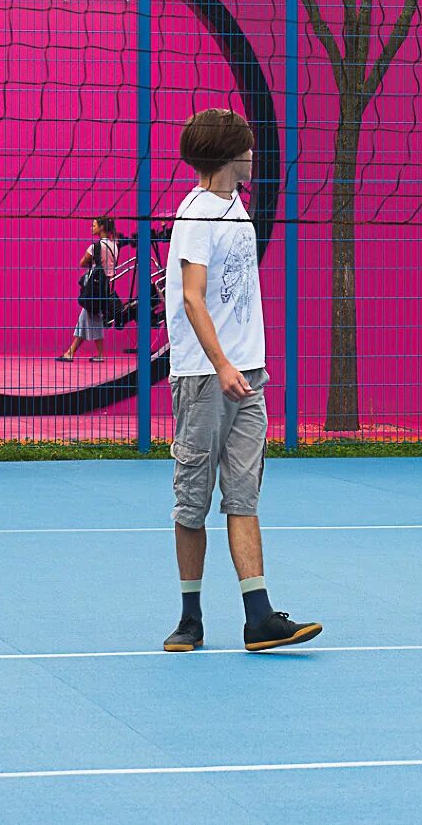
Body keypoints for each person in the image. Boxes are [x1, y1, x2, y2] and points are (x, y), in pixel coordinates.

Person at [162, 107, 321, 653]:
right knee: (192, 501)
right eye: (248, 146)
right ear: (231, 154)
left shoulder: (236, 207)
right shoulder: (197, 214)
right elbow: (191, 297)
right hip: (205, 376)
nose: (255, 154)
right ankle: (190, 619)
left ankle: (259, 619)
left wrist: (246, 364)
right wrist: (222, 364)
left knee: (244, 496)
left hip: (248, 376)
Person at [57, 215, 120, 362]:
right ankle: (77, 352)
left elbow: (82, 263)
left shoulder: (95, 247)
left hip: (94, 289)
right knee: (88, 318)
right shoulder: (114, 246)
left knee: (89, 317)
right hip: (106, 287)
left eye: (94, 225)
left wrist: (93, 262)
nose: (92, 228)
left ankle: (76, 353)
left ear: (102, 227)